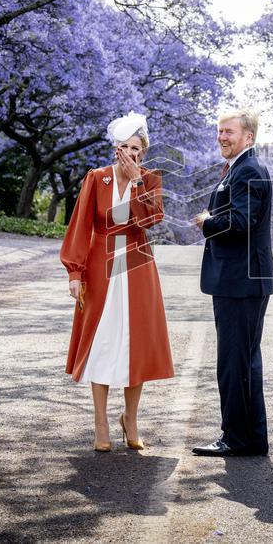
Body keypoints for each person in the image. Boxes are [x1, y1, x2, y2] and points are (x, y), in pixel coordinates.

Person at [60, 112, 173, 452]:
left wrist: (137, 181)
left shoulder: (150, 179)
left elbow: (151, 219)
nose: (129, 153)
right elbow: (80, 225)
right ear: (115, 149)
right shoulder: (96, 178)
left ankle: (131, 419)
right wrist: (75, 272)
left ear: (143, 152)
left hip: (138, 267)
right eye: (124, 147)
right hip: (100, 267)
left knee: (135, 343)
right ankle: (100, 422)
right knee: (103, 343)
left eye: (136, 148)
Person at [191, 108, 273, 457]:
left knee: (233, 362)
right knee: (243, 360)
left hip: (241, 282)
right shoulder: (240, 168)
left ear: (248, 137)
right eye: (220, 131)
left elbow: (241, 221)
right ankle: (251, 438)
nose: (222, 137)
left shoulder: (249, 170)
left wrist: (207, 222)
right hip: (240, 280)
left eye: (228, 132)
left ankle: (236, 438)